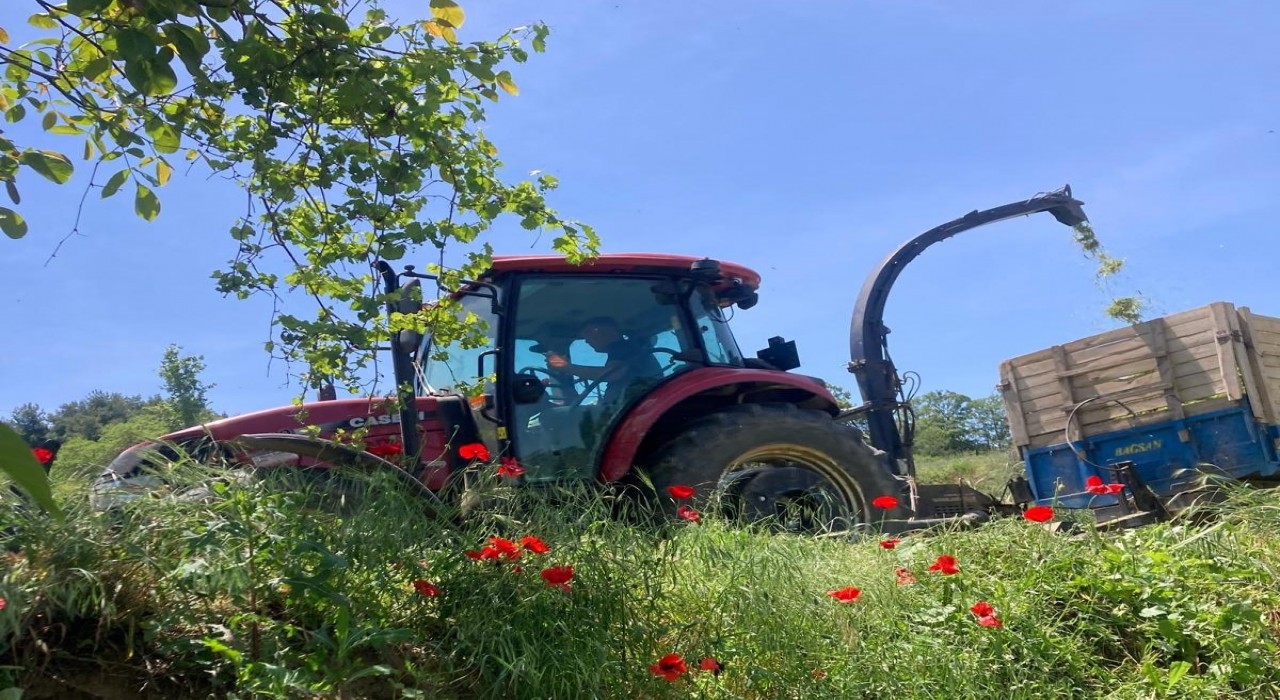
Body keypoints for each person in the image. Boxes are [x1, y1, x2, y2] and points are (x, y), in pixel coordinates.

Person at [546, 316, 663, 405]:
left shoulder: (623, 347)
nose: (587, 341)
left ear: (600, 331)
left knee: (550, 416)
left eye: (588, 333)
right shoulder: (626, 349)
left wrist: (565, 366)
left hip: (631, 407)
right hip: (626, 406)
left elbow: (611, 374)